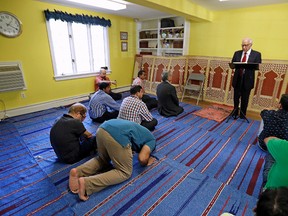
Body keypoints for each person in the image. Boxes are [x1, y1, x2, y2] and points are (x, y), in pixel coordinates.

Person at [68, 119, 156, 201]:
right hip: (117, 136)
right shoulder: (152, 140)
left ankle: (77, 172)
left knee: (103, 159)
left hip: (102, 129)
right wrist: (148, 161)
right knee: (125, 172)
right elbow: (142, 158)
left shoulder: (140, 130)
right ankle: (87, 183)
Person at [257, 94, 288, 187]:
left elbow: (263, 112)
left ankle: (266, 186)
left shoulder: (269, 114)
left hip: (264, 144)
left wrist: (271, 109)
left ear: (280, 105)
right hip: (282, 147)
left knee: (272, 157)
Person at [231, 38, 262, 119]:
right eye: (242, 45)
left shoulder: (257, 54)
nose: (244, 47)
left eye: (246, 45)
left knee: (245, 98)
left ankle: (242, 114)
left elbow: (257, 66)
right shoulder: (237, 53)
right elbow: (233, 64)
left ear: (251, 45)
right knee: (236, 97)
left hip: (248, 79)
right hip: (238, 78)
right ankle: (235, 112)